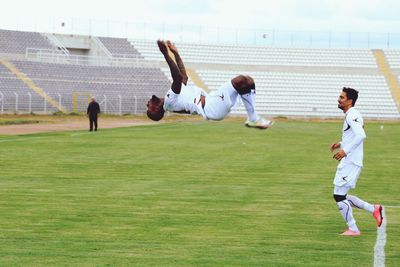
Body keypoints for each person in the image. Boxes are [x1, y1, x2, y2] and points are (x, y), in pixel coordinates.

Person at [146, 40, 273, 129]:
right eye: (148, 106)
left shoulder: (173, 98)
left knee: (247, 81)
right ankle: (253, 118)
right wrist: (165, 54)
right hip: (212, 107)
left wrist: (176, 53)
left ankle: (253, 118)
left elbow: (183, 76)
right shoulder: (169, 101)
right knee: (240, 81)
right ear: (155, 109)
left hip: (212, 99)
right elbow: (178, 77)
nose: (148, 103)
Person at [330, 87, 383, 236]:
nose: (338, 100)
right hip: (352, 160)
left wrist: (344, 151)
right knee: (342, 195)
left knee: (339, 196)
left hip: (351, 161)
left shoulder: (351, 114)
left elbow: (361, 135)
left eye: (341, 97)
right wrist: (341, 144)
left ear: (349, 101)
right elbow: (353, 135)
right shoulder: (353, 114)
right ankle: (374, 209)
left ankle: (353, 229)